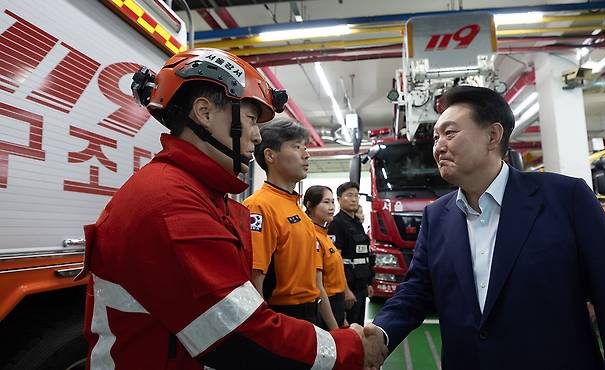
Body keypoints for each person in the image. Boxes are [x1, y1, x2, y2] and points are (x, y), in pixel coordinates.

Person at [77, 48, 379, 369]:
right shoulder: (169, 201)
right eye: (250, 118)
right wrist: (350, 348)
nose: (257, 135)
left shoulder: (203, 194)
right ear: (204, 113)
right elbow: (238, 336)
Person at [366, 86, 605, 370]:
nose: (438, 146)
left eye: (450, 133)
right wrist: (381, 333)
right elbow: (416, 291)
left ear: (493, 136)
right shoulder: (437, 216)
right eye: (437, 136)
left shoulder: (565, 199)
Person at [244, 121, 325, 325]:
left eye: (305, 147)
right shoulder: (259, 206)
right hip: (284, 315)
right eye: (297, 147)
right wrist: (262, 330)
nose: (306, 154)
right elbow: (255, 279)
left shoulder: (297, 208)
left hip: (310, 312)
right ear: (270, 156)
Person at [328, 182, 373, 326]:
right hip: (348, 285)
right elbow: (336, 260)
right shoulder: (336, 223)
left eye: (356, 196)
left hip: (361, 284)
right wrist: (345, 290)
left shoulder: (357, 223)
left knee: (359, 324)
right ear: (339, 199)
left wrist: (368, 283)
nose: (354, 199)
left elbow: (363, 256)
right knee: (348, 327)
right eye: (349, 195)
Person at [304, 185, 349, 330]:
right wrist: (335, 328)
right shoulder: (312, 236)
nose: (331, 207)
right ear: (310, 206)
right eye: (326, 202)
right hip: (324, 307)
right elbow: (318, 286)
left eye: (332, 202)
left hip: (337, 304)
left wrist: (342, 318)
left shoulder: (324, 234)